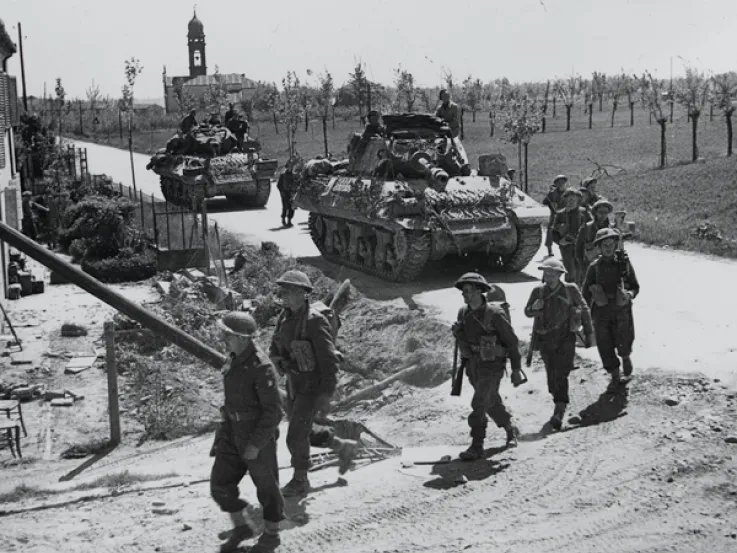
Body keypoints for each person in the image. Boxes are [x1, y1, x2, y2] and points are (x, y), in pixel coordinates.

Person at [269, 270, 358, 497]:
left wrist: (326, 394)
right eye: (282, 291)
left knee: (295, 434)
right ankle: (342, 447)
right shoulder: (285, 317)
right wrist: (278, 359)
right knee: (305, 430)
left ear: (303, 293)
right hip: (293, 384)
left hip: (311, 385)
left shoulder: (314, 322)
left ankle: (300, 480)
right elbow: (275, 345)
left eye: (288, 291)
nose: (283, 295)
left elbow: (329, 361)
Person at [210, 312, 284, 553]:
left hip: (255, 435)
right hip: (231, 431)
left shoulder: (261, 367)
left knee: (267, 487)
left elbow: (273, 413)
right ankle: (241, 527)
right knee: (220, 484)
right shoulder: (234, 358)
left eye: (228, 335)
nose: (223, 338)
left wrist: (255, 444)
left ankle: (271, 536)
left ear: (243, 338)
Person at [452, 272, 522, 460]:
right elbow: (463, 340)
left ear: (478, 291)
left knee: (479, 402)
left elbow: (512, 342)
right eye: (463, 291)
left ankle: (477, 445)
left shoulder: (495, 314)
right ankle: (510, 427)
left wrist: (516, 369)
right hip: (474, 365)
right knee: (490, 401)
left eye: (467, 291)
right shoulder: (463, 312)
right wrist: (459, 335)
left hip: (493, 365)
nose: (464, 295)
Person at [524, 258, 594, 430]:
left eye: (552, 273)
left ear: (560, 274)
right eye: (546, 273)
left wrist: (589, 332)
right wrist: (534, 307)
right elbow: (527, 312)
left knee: (561, 373)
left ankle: (559, 409)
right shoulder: (538, 291)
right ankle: (558, 399)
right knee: (551, 376)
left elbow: (584, 308)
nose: (549, 276)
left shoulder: (570, 289)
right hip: (545, 339)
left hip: (565, 337)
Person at [581, 228, 640, 392]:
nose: (608, 247)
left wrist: (629, 294)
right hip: (601, 312)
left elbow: (635, 286)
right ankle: (615, 375)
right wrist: (582, 316)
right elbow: (584, 293)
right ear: (598, 248)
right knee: (604, 344)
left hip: (622, 311)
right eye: (604, 244)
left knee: (624, 339)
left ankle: (626, 357)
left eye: (611, 244)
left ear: (616, 245)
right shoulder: (594, 268)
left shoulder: (624, 264)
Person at [551, 188, 591, 284]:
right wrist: (560, 241)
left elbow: (592, 227)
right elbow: (553, 232)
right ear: (565, 199)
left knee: (582, 271)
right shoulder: (560, 214)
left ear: (578, 200)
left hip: (581, 247)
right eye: (569, 199)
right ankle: (570, 293)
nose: (571, 201)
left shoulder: (584, 213)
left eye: (574, 199)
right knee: (570, 272)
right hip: (567, 248)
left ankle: (582, 293)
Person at [575, 199, 614, 285]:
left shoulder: (612, 229)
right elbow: (578, 249)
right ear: (595, 212)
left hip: (608, 268)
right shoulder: (586, 228)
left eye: (605, 212)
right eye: (600, 212)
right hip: (589, 268)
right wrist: (582, 267)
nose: (603, 215)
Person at [542, 175, 569, 257]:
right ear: (556, 184)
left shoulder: (568, 192)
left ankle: (566, 250)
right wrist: (551, 204)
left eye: (562, 182)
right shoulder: (552, 193)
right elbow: (545, 201)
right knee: (550, 230)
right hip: (555, 215)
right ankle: (549, 249)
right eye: (559, 182)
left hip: (566, 215)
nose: (561, 184)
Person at [276, 161, 297, 227]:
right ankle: (283, 219)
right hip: (285, 192)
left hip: (292, 193)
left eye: (291, 167)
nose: (290, 168)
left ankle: (289, 220)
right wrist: (282, 192)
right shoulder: (282, 175)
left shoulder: (294, 175)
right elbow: (279, 185)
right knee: (285, 207)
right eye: (289, 167)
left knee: (292, 207)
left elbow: (296, 184)